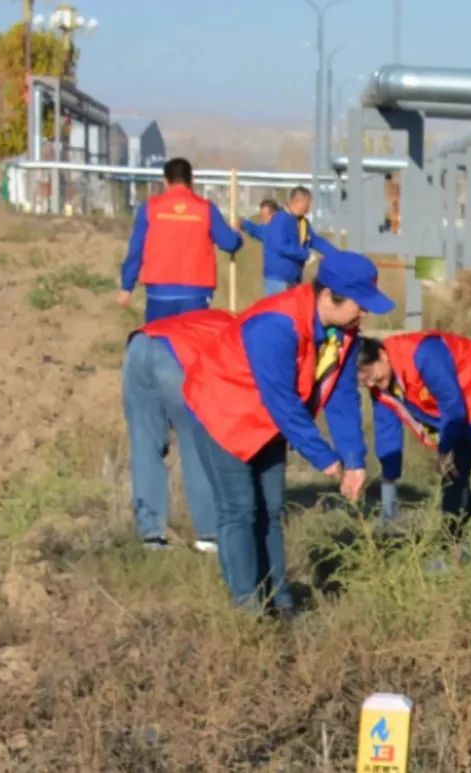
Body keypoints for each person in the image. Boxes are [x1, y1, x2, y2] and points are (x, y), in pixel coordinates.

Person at [179, 248, 395, 614]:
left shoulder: (344, 332)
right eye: (360, 305)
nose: (365, 313)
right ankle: (248, 610)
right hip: (223, 411)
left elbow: (342, 397)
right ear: (329, 295)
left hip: (269, 422)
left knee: (271, 510)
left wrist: (354, 460)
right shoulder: (275, 325)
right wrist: (323, 457)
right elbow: (283, 403)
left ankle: (280, 601)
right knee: (240, 510)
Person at [356, 332, 471, 527]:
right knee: (456, 471)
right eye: (363, 383)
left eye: (371, 375)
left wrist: (445, 449)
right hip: (452, 402)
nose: (371, 384)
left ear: (382, 355)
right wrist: (389, 490)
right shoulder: (380, 383)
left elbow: (452, 406)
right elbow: (387, 429)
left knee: (453, 468)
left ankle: (453, 539)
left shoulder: (424, 354)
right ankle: (469, 532)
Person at [123, 309, 234, 552]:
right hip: (176, 356)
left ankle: (151, 535)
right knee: (198, 441)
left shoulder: (231, 323)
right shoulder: (247, 340)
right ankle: (210, 534)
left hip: (139, 345)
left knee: (145, 443)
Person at [118, 157, 243, 322]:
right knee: (191, 338)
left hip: (159, 291)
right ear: (192, 180)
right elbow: (229, 243)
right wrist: (236, 234)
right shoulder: (205, 208)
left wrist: (127, 286)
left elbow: (136, 250)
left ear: (165, 181)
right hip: (196, 293)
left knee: (160, 336)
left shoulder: (149, 209)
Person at [250, 186, 337, 297]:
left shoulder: (302, 222)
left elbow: (314, 240)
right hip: (279, 280)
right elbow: (281, 246)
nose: (309, 209)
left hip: (294, 279)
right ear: (298, 202)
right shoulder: (280, 220)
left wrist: (335, 254)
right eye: (307, 204)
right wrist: (305, 255)